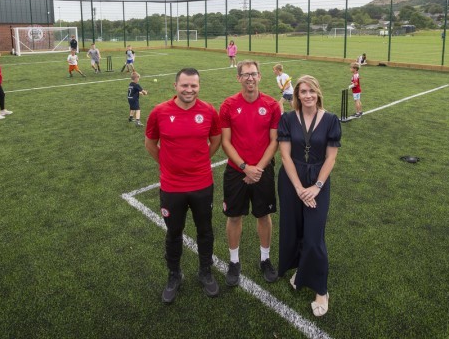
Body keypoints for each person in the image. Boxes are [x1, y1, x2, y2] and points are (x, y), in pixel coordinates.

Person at [145, 68, 222, 304]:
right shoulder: (159, 112)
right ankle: (174, 274)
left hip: (201, 184)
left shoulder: (209, 111)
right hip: (172, 186)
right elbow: (150, 143)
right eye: (185, 85)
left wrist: (200, 162)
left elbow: (216, 139)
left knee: (205, 230)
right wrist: (168, 165)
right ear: (175, 86)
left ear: (199, 86)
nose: (189, 90)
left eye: (194, 86)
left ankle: (205, 271)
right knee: (174, 232)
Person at [277, 75, 341, 317]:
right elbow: (284, 156)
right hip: (291, 180)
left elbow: (331, 158)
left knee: (314, 236)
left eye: (311, 91)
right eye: (303, 91)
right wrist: (298, 188)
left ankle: (321, 291)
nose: (307, 95)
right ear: (297, 95)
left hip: (317, 181)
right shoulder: (287, 119)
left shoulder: (331, 120)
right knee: (294, 230)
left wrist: (316, 187)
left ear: (318, 93)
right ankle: (301, 272)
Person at [220, 60, 281, 286]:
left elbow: (274, 141)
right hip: (237, 171)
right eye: (245, 75)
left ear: (260, 76)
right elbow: (225, 142)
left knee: (263, 216)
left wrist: (258, 169)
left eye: (253, 74)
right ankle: (234, 262)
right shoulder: (228, 105)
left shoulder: (272, 104)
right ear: (238, 78)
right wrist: (246, 167)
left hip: (263, 170)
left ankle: (265, 259)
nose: (250, 78)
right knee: (234, 216)